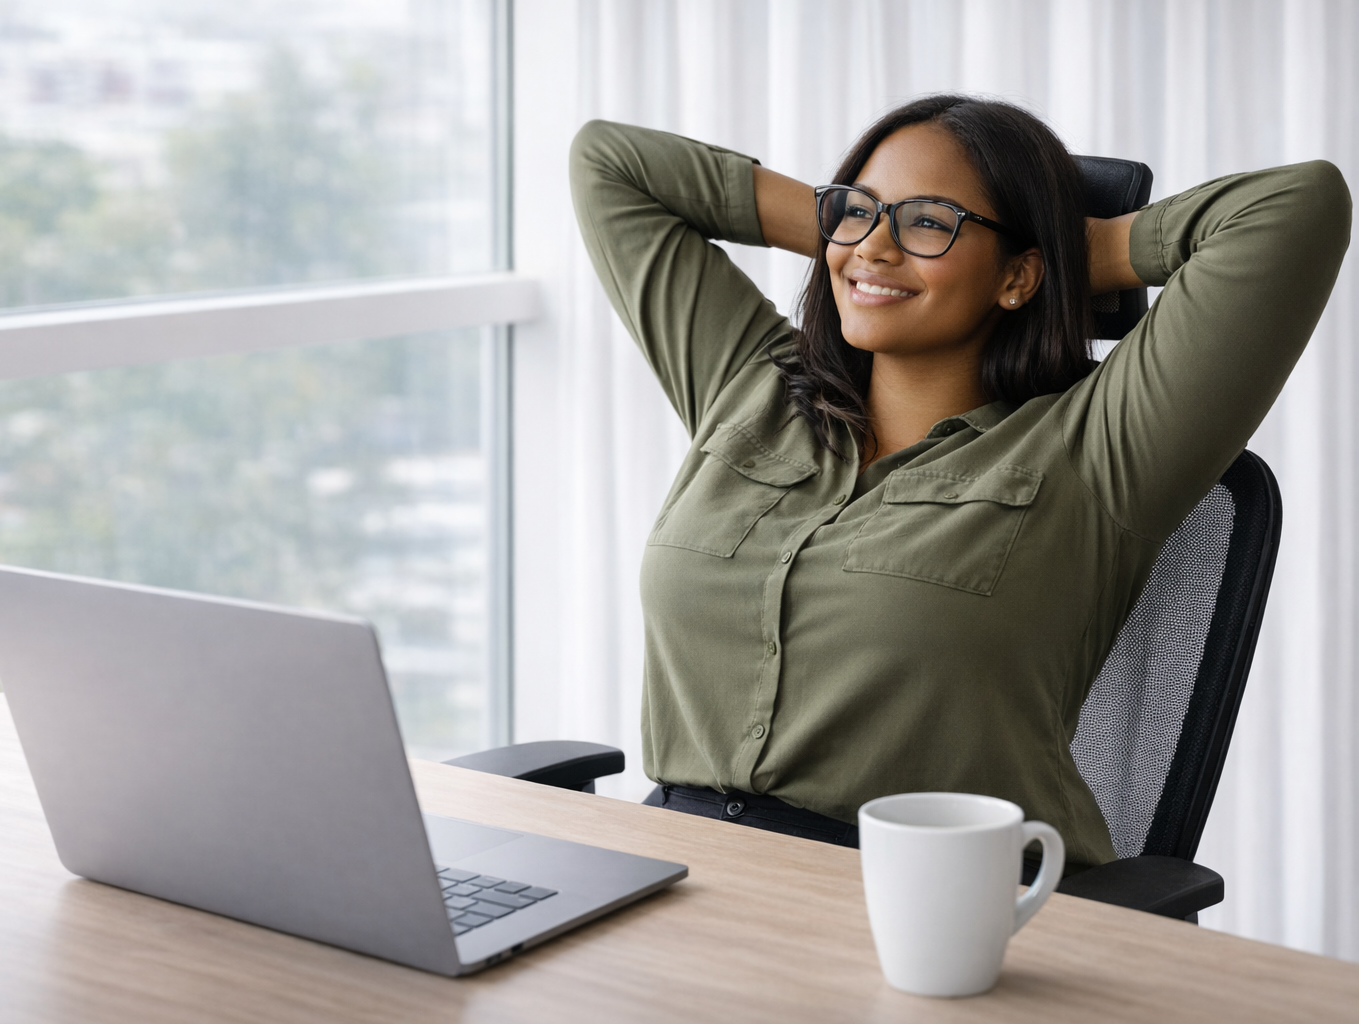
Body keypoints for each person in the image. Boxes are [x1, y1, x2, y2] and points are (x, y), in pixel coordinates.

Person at [568, 94, 1350, 868]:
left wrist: (1067, 254)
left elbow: (1296, 207)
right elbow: (610, 163)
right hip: (684, 867)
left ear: (1017, 276)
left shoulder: (1101, 449)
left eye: (930, 222)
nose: (874, 248)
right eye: (856, 211)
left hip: (935, 904)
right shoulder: (752, 384)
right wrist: (860, 232)